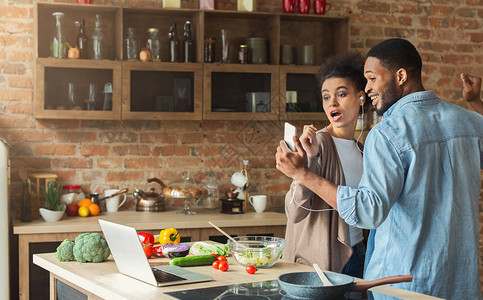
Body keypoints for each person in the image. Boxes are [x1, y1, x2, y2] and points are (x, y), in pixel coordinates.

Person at [276, 38, 483, 299]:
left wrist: (302, 175)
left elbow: (368, 211)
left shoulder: (388, 133)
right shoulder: (466, 122)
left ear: (400, 76)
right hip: (458, 282)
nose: (368, 87)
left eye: (372, 78)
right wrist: (476, 103)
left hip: (401, 282)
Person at [283, 53, 370, 278]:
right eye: (326, 97)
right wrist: (308, 161)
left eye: (341, 94)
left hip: (359, 252)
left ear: (361, 98)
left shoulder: (362, 149)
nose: (332, 103)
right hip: (324, 260)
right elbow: (294, 211)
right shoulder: (317, 142)